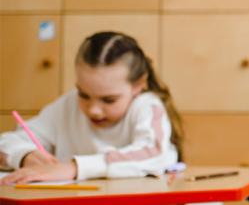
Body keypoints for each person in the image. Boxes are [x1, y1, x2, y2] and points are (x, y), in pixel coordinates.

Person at [0, 32, 182, 183]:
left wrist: (74, 167)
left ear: (138, 84)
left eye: (109, 100)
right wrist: (25, 155)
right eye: (84, 95)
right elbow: (7, 142)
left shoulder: (146, 107)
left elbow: (154, 154)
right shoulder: (66, 106)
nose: (93, 110)